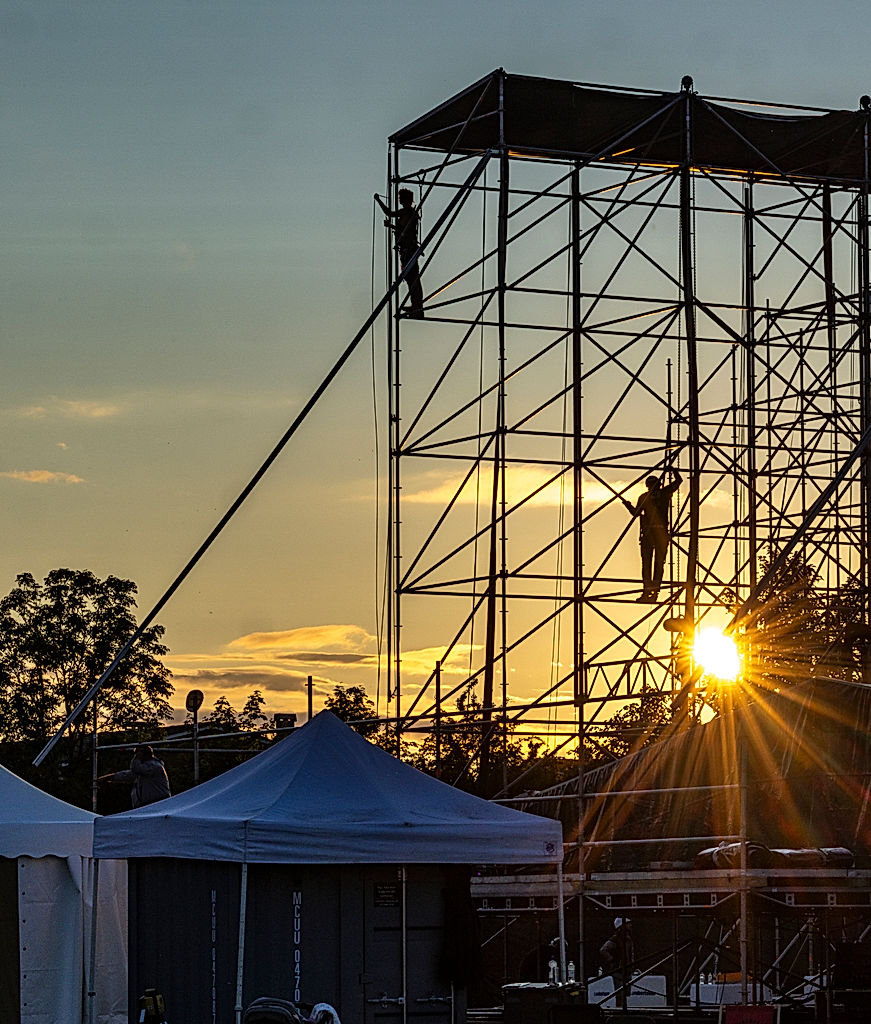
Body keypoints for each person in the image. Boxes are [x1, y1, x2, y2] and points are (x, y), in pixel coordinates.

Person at [622, 469, 683, 602]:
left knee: (647, 565)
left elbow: (636, 513)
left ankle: (647, 592)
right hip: (660, 534)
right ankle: (653, 592)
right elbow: (678, 481)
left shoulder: (645, 497)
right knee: (658, 564)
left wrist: (627, 505)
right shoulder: (664, 493)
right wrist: (674, 472)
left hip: (649, 534)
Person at [374, 188, 425, 318]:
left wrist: (379, 201)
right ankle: (416, 305)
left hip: (409, 249)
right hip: (407, 249)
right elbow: (401, 226)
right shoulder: (408, 213)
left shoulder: (407, 212)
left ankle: (417, 307)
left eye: (401, 198)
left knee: (412, 278)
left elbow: (391, 215)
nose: (400, 200)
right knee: (411, 278)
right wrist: (391, 226)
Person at [100, 743, 171, 808]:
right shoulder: (145, 769)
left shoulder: (154, 766)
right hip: (150, 805)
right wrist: (109, 778)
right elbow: (127, 775)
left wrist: (137, 758)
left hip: (157, 804)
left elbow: (135, 769)